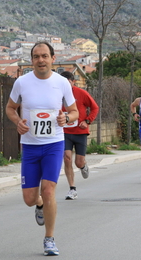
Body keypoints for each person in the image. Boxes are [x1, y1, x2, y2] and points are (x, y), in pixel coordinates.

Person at [5, 41, 79, 256]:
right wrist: (17, 121)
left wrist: (67, 117)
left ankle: (49, 239)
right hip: (29, 146)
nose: (40, 60)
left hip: (54, 145)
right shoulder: (21, 82)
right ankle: (39, 204)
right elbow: (10, 108)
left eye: (44, 56)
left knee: (49, 191)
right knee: (30, 199)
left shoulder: (62, 83)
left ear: (52, 59)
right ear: (32, 60)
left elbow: (74, 112)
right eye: (36, 56)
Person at [60, 71, 99, 200]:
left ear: (73, 82)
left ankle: (83, 165)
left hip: (80, 132)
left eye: (67, 82)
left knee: (78, 162)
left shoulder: (81, 93)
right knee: (67, 158)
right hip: (64, 132)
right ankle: (72, 189)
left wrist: (87, 121)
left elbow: (95, 108)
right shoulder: (57, 94)